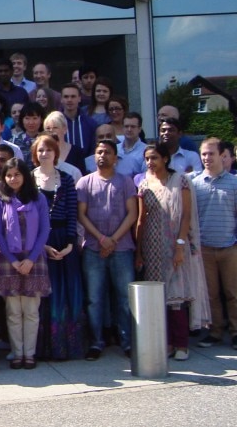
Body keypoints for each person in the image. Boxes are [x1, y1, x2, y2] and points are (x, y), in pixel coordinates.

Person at [135, 143, 209, 361]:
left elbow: (186, 215)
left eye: (155, 158)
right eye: (147, 159)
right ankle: (165, 342)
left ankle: (181, 344)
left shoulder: (181, 181)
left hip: (175, 245)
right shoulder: (144, 184)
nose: (150, 162)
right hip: (152, 247)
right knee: (157, 297)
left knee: (176, 296)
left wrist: (179, 244)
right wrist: (139, 252)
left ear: (165, 159)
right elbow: (141, 220)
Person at [76, 139, 138, 360]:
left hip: (122, 249)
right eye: (99, 151)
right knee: (94, 298)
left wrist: (113, 239)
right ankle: (96, 342)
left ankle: (128, 342)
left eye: (108, 152)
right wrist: (102, 238)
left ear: (115, 158)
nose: (103, 156)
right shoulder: (84, 183)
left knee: (124, 298)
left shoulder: (126, 182)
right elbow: (81, 214)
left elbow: (133, 214)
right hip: (93, 248)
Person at [0, 158, 51, 369]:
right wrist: (14, 261)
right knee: (14, 311)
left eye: (17, 174)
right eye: (8, 175)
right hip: (9, 260)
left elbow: (45, 230)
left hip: (34, 258)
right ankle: (17, 354)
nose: (13, 179)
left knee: (31, 310)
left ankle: (30, 354)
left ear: (25, 175)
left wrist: (31, 259)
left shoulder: (38, 198)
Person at [30, 134, 85, 361]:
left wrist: (71, 244)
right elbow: (29, 218)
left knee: (67, 293)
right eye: (40, 150)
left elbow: (73, 213)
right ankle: (43, 349)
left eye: (49, 150)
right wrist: (41, 245)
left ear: (56, 153)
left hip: (64, 240)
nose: (44, 154)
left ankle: (67, 347)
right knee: (42, 297)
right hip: (38, 242)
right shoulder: (29, 180)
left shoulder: (67, 179)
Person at [189, 138, 237, 348]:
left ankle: (236, 332)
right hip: (204, 249)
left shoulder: (234, 183)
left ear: (221, 155)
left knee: (233, 293)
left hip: (229, 247)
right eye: (204, 154)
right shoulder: (194, 184)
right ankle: (215, 331)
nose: (207, 158)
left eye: (211, 154)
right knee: (210, 294)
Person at [42, 111, 85, 179]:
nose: (51, 131)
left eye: (55, 128)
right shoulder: (41, 153)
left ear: (64, 129)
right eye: (48, 128)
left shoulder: (77, 152)